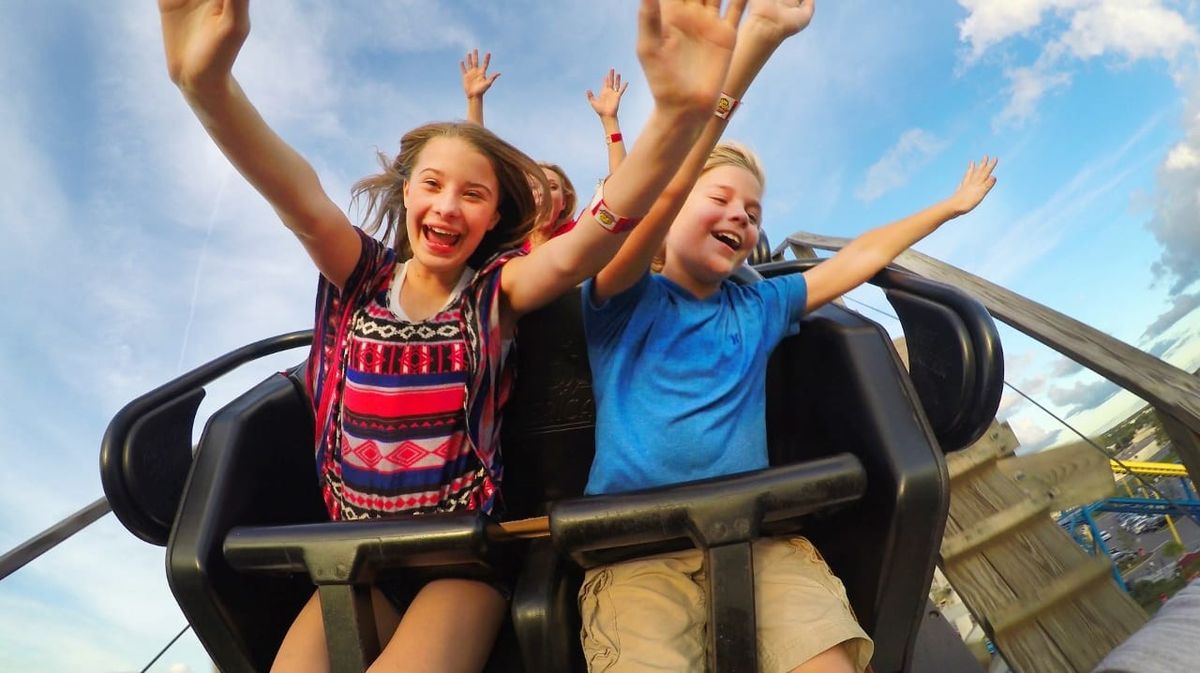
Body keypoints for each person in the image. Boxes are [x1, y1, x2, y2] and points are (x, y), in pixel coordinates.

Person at [157, 0, 749, 671]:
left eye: (473, 194)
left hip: (459, 562)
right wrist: (204, 86)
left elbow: (590, 240)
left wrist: (675, 117)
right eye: (432, 185)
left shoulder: (497, 291)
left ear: (496, 214)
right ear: (405, 194)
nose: (446, 205)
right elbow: (293, 190)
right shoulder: (359, 275)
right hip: (357, 563)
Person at [578, 2, 1000, 671]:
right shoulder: (622, 301)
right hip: (637, 553)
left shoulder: (761, 305)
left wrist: (946, 207)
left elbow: (855, 259)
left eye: (752, 213)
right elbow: (660, 190)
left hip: (757, 538)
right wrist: (758, 45)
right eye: (718, 198)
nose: (740, 217)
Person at [460, 52, 630, 248]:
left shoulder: (577, 236)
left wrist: (610, 121)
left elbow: (622, 194)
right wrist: (474, 100)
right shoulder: (503, 241)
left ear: (565, 202)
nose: (542, 193)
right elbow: (475, 171)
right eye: (532, 187)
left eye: (552, 187)